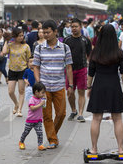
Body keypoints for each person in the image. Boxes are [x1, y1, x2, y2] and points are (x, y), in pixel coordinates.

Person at [86, 24, 123, 155]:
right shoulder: (119, 53)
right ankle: (121, 148)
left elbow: (91, 72)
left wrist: (89, 87)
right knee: (117, 118)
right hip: (114, 85)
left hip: (98, 85)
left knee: (96, 118)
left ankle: (93, 148)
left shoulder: (95, 52)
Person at [33, 20, 73, 149]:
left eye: (48, 32)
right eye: (43, 32)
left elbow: (69, 68)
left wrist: (70, 85)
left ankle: (52, 134)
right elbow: (36, 67)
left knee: (61, 114)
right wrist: (38, 83)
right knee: (47, 115)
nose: (45, 35)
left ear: (55, 32)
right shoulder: (39, 47)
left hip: (59, 86)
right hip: (44, 89)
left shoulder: (65, 48)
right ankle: (52, 140)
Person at [64, 20, 92, 123]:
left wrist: (91, 68)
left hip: (82, 69)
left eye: (76, 26)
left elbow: (89, 55)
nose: (73, 28)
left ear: (80, 27)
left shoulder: (85, 40)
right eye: (72, 27)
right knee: (70, 93)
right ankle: (73, 110)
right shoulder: (66, 40)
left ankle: (80, 113)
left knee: (81, 92)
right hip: (69, 69)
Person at [2, 27, 31, 117]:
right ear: (14, 36)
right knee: (10, 91)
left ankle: (19, 110)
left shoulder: (26, 46)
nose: (21, 37)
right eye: (19, 36)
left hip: (23, 70)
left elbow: (29, 60)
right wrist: (6, 41)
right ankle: (16, 103)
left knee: (21, 91)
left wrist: (29, 72)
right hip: (12, 70)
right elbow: (4, 52)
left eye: (22, 35)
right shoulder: (10, 45)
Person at [18, 81, 46, 151]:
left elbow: (44, 107)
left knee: (40, 133)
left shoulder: (41, 99)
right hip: (30, 120)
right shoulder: (32, 99)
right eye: (42, 92)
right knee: (26, 132)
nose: (43, 94)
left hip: (38, 120)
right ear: (36, 92)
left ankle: (40, 144)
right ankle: (21, 141)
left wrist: (44, 102)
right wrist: (40, 104)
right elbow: (32, 108)